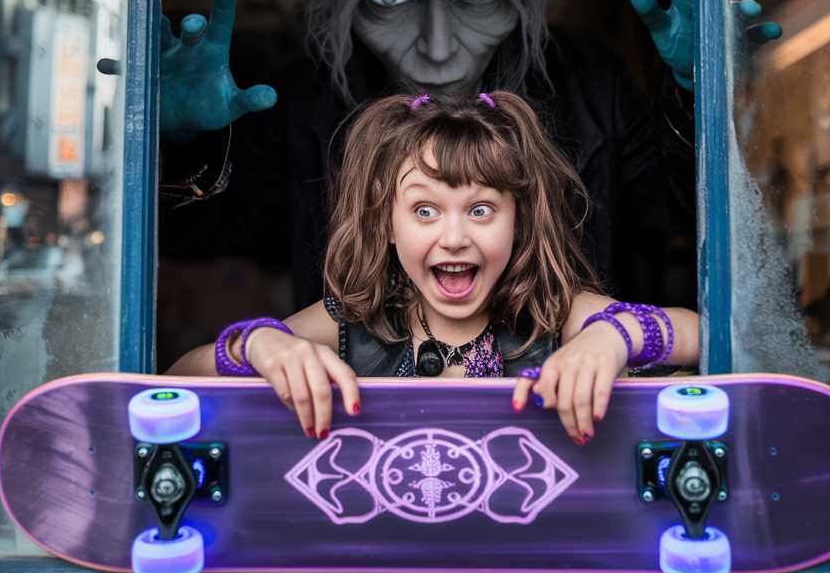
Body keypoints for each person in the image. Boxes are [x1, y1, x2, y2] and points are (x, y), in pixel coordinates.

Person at [156, 0, 780, 317]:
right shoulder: (308, 98)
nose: (437, 48)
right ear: (344, 2)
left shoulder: (588, 80)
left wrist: (699, 96)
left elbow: (682, 223)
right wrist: (183, 145)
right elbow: (206, 243)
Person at [171, 90, 699, 445]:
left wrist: (614, 338)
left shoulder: (555, 313)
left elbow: (706, 335)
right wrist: (260, 344)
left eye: (480, 210)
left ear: (519, 220)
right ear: (388, 222)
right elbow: (174, 379)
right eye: (424, 211)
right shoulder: (355, 319)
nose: (453, 237)